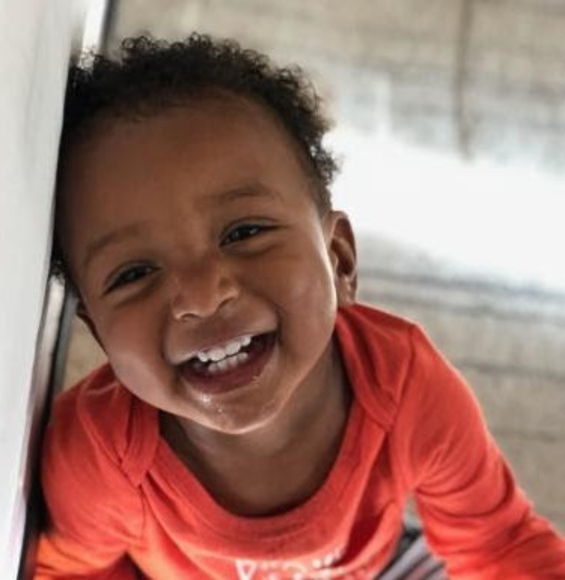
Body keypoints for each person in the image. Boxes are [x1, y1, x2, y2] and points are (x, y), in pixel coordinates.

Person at [34, 34, 565, 580]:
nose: (202, 296)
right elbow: (73, 571)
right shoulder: (101, 456)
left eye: (244, 232)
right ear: (98, 331)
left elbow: (500, 544)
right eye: (134, 274)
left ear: (339, 260)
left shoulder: (405, 385)